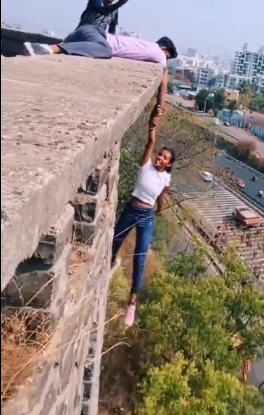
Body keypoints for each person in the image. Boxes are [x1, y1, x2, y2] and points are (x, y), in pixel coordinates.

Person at [111, 113, 176, 327]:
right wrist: (152, 126)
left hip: (146, 216)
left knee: (140, 260)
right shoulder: (145, 165)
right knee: (115, 241)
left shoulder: (166, 177)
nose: (161, 158)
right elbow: (150, 142)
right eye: (160, 155)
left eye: (165, 158)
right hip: (132, 209)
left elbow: (162, 194)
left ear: (168, 164)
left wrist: (160, 209)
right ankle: (108, 264)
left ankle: (132, 303)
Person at [23, 33, 177, 114]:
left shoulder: (146, 45)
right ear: (164, 50)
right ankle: (46, 49)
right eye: (168, 57)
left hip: (91, 31)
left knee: (75, 47)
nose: (166, 60)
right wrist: (159, 109)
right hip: (100, 40)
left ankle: (46, 47)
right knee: (105, 51)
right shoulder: (159, 53)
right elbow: (163, 85)